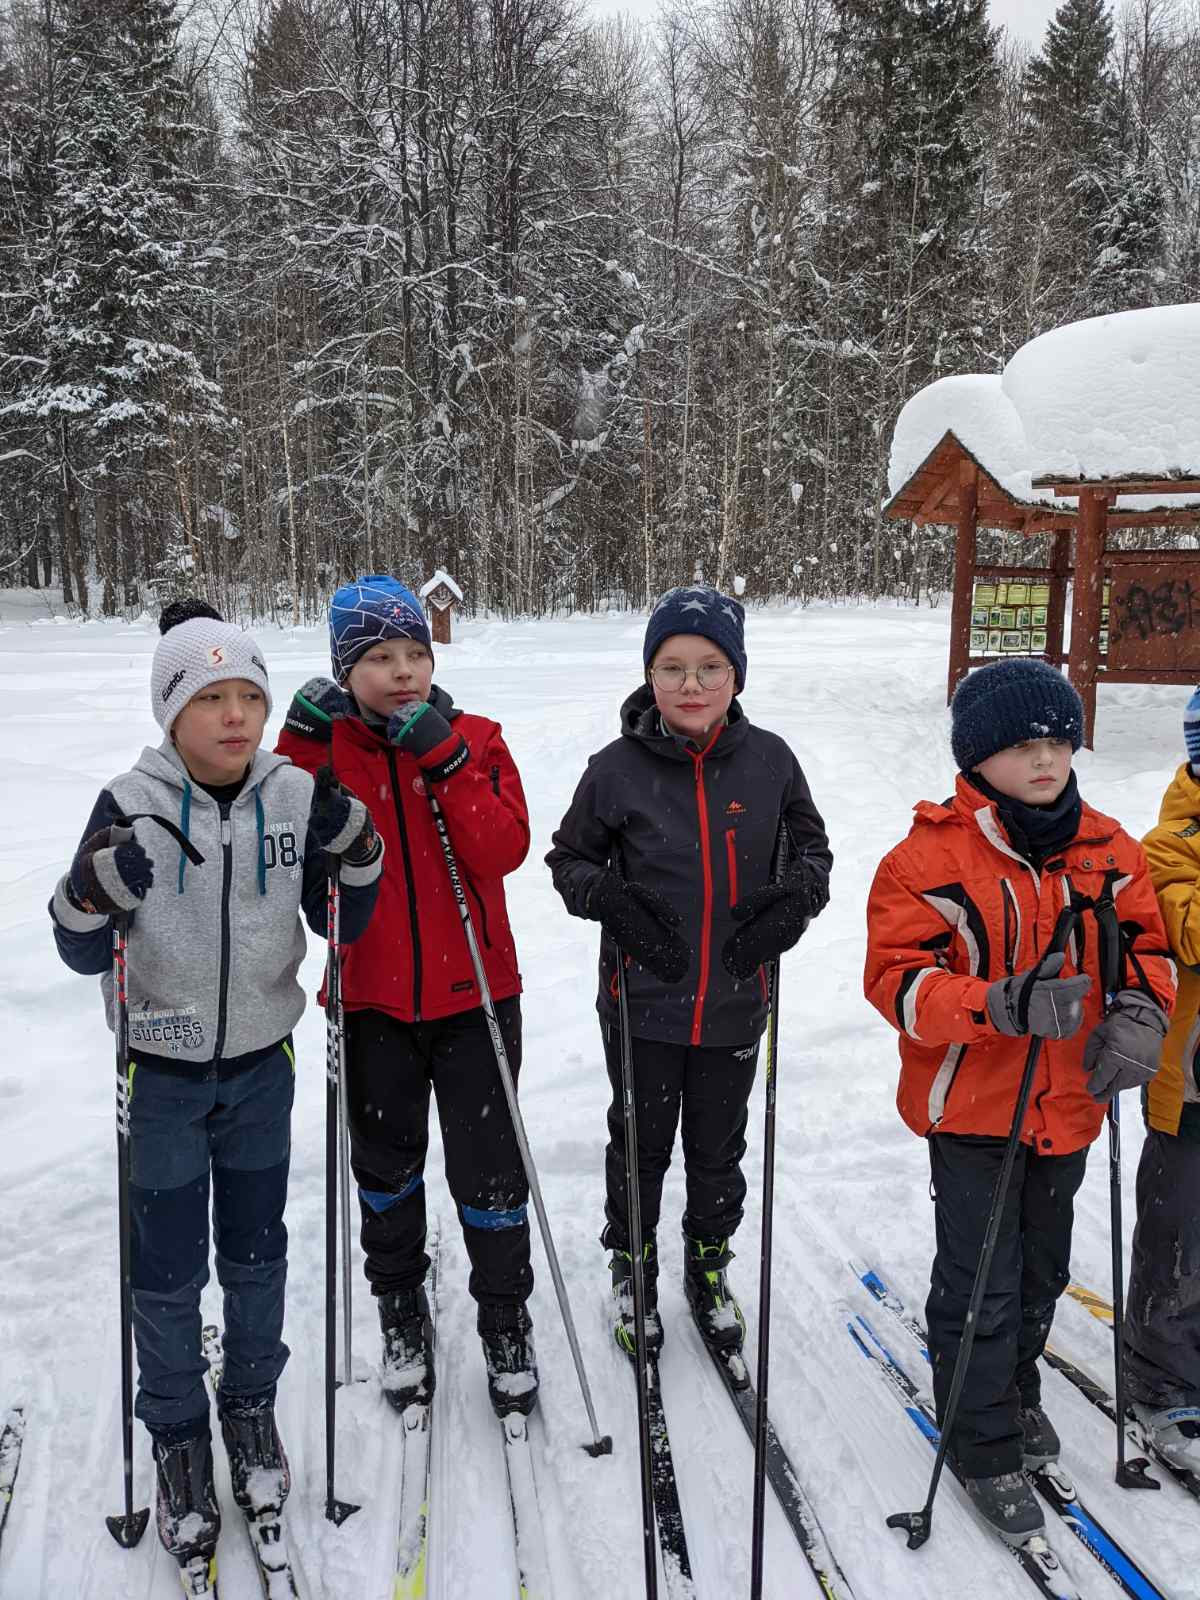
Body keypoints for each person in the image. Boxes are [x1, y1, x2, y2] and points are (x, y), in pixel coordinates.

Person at [49, 599, 382, 1571]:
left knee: (255, 1255)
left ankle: (248, 1408)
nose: (234, 716)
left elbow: (343, 925)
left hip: (259, 1069)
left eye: (248, 695)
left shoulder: (291, 792)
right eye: (209, 699)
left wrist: (352, 847)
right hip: (157, 1072)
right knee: (163, 1270)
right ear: (170, 713)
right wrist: (98, 887)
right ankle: (178, 1435)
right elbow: (75, 938)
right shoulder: (132, 802)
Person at [864, 657, 1174, 1544]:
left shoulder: (1110, 851)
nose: (1045, 760)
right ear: (977, 757)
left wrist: (1142, 1013)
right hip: (972, 1111)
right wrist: (994, 1005)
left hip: (1071, 1103)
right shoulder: (925, 859)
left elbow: (1147, 945)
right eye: (1021, 745)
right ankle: (980, 1435)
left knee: (1040, 1273)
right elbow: (897, 983)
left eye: (1058, 741)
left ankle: (1016, 1387)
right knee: (980, 1284)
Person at [545, 584, 831, 1372]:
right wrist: (609, 900)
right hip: (642, 1002)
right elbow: (568, 858)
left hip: (739, 999)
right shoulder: (617, 769)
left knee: (717, 1148)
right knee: (639, 1145)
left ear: (736, 676)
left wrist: (798, 899)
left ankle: (708, 1262)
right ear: (649, 675)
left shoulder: (771, 761)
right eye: (672, 667)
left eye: (710, 667)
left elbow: (814, 853)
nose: (691, 685)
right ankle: (630, 1267)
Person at [276, 575, 537, 1418]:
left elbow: (501, 850)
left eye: (414, 653)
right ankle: (399, 1308)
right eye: (378, 658)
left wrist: (445, 757)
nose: (401, 673)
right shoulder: (328, 755)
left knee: (490, 1174)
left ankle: (504, 1317)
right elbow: (283, 852)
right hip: (370, 1004)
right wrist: (299, 745)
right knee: (385, 1172)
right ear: (344, 671)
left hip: (477, 999)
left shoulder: (479, 738)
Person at [1124, 686, 1200, 1470]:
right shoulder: (1173, 838)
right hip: (1191, 1086)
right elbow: (1180, 921)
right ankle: (1162, 1375)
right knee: (1180, 1238)